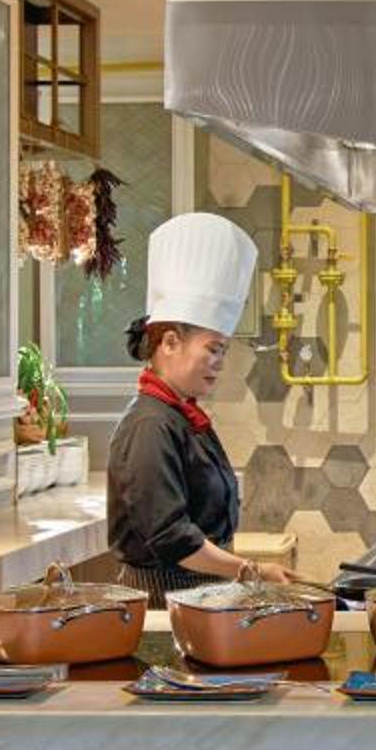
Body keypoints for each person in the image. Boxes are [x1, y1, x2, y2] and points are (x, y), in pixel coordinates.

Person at [104, 212, 282, 594]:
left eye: (224, 351)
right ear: (170, 342)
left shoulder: (180, 416)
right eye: (213, 349)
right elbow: (171, 537)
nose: (220, 363)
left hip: (198, 594)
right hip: (164, 600)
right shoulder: (150, 425)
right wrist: (252, 571)